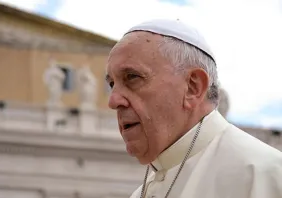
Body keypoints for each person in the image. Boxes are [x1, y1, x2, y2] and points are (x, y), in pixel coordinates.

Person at [105, 19, 282, 198]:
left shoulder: (264, 176)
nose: (113, 101)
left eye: (132, 77)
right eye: (112, 84)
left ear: (192, 87)